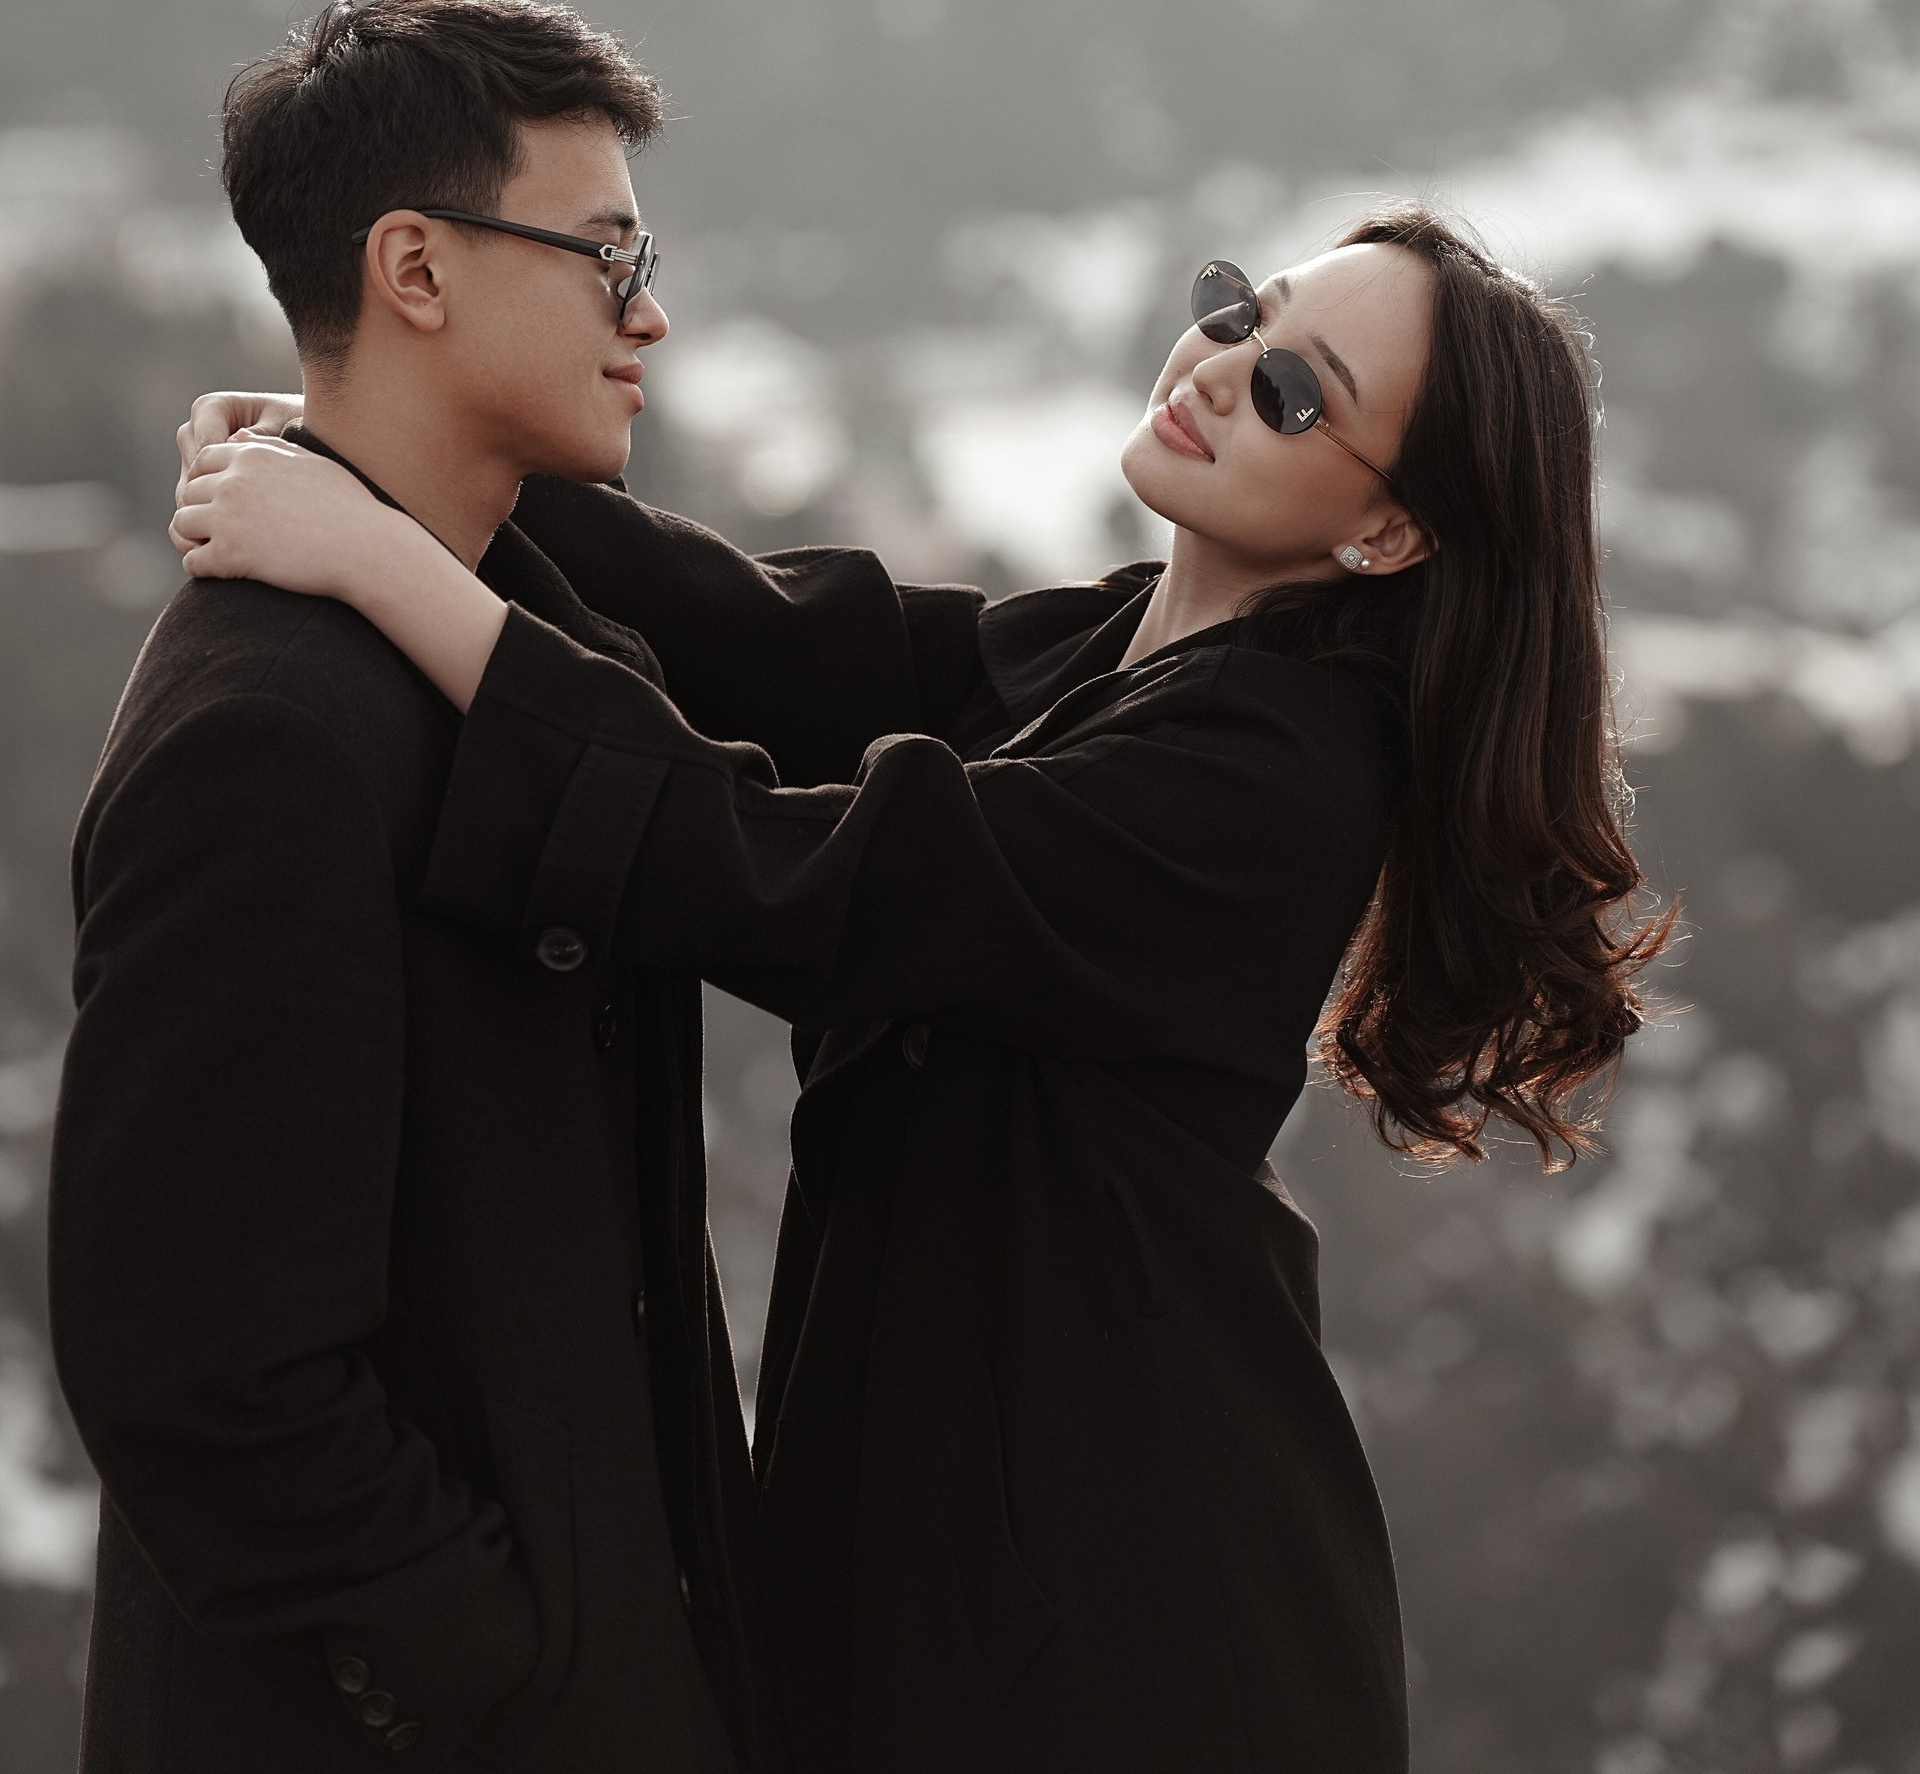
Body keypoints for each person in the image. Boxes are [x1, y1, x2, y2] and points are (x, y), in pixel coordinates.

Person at [174, 207, 1667, 1774]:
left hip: (1124, 1615)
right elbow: (781, 641)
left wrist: (378, 559)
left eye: (1298, 393)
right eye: (1241, 310)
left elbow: (784, 874)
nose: (1224, 369)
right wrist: (390, 455)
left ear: (1391, 534)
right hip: (982, 1541)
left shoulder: (1271, 779)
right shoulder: (1124, 647)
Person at [53, 0, 906, 1774]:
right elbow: (197, 1370)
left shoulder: (509, 642)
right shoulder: (269, 734)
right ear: (417, 269)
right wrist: (509, 1666)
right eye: (606, 257)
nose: (649, 313)